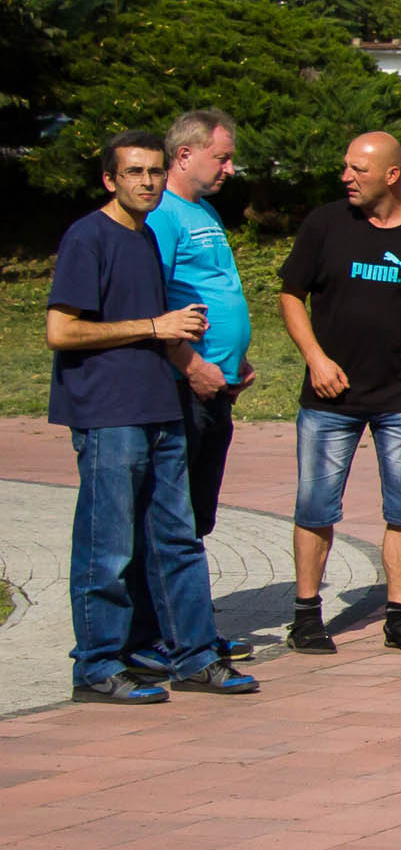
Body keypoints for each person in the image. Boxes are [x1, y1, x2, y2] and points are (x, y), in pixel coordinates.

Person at [47, 131, 254, 705]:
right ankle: (97, 666)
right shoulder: (89, 237)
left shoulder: (145, 237)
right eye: (134, 172)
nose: (147, 181)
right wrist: (155, 327)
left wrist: (211, 358)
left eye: (155, 172)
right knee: (108, 546)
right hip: (107, 413)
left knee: (177, 539)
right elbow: (60, 331)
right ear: (109, 179)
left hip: (161, 406)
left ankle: (194, 658)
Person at [277, 132, 401, 657]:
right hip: (330, 397)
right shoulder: (325, 224)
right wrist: (315, 359)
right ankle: (306, 616)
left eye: (358, 169)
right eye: (345, 167)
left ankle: (400, 618)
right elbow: (290, 295)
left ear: (392, 175)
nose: (347, 177)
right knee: (315, 506)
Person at [147, 111, 252, 545]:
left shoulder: (204, 209)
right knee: (174, 515)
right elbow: (153, 303)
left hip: (217, 385)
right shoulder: (161, 215)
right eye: (222, 158)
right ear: (185, 155)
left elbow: (217, 284)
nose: (230, 168)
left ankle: (184, 586)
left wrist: (235, 358)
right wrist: (192, 367)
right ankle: (163, 589)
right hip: (184, 386)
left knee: (199, 513)